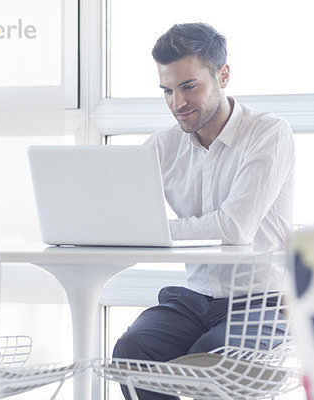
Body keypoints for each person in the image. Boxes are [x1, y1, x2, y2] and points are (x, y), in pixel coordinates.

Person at [112, 22, 295, 400]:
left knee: (211, 358)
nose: (177, 103)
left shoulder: (268, 134)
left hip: (261, 301)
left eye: (189, 86)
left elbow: (234, 228)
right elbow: (121, 214)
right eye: (167, 90)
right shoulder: (162, 146)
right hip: (194, 300)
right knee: (132, 352)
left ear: (222, 75)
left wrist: (153, 230)